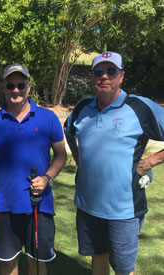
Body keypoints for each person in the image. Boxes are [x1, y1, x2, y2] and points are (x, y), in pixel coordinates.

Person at [64, 51, 164, 275]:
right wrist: (80, 159)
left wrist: (150, 161)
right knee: (98, 258)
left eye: (111, 71)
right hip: (88, 206)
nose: (104, 76)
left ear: (121, 76)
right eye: (98, 71)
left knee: (123, 268)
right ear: (92, 77)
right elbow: (69, 131)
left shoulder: (139, 107)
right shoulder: (82, 108)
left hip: (124, 210)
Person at [0, 63, 67, 275]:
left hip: (40, 204)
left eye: (20, 84)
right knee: (8, 262)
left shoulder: (48, 118)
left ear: (29, 86)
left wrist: (47, 178)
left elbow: (61, 155)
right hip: (3, 206)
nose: (15, 90)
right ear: (3, 86)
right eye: (10, 85)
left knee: (37, 263)